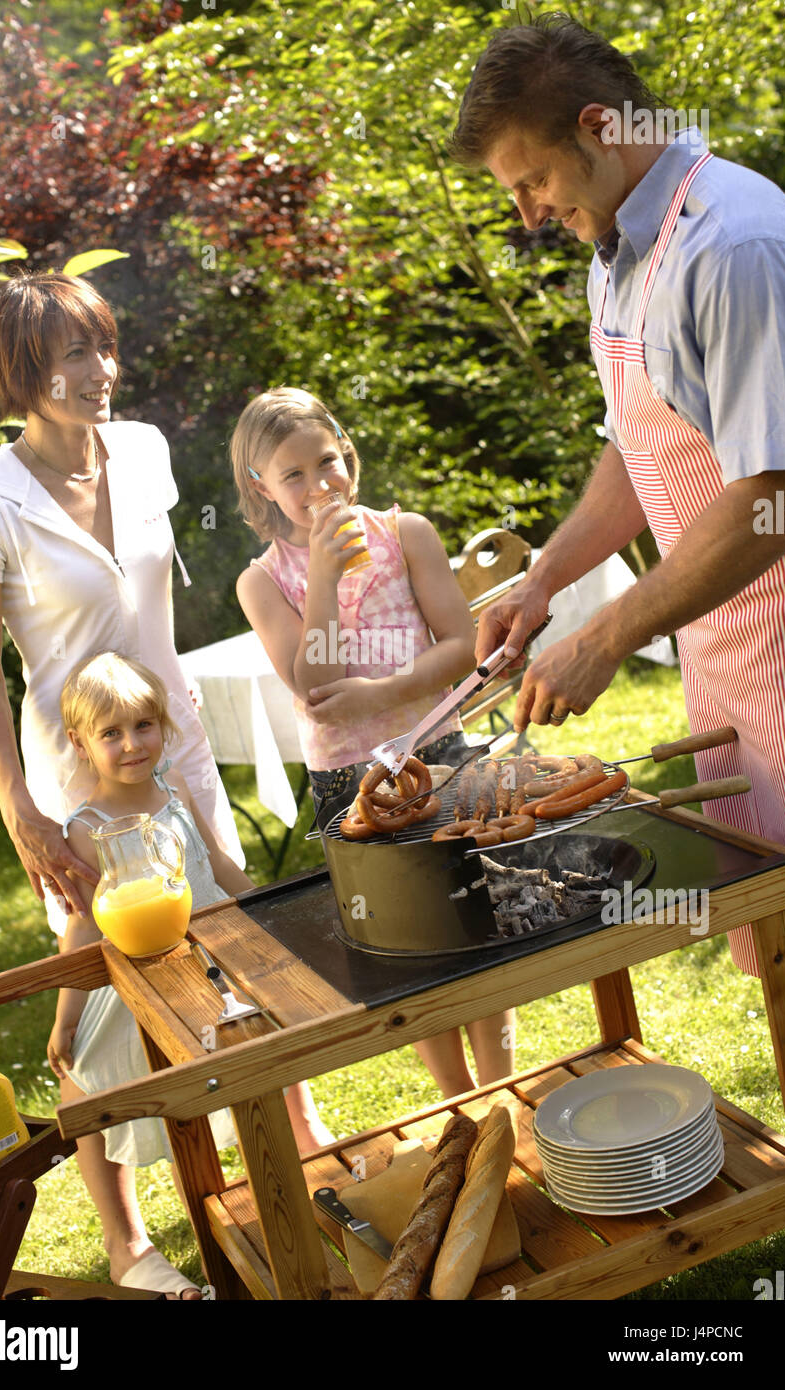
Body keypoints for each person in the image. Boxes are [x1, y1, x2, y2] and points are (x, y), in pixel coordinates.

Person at [450, 13, 785, 977]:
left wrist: (607, 636)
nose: (526, 215)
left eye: (533, 182)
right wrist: (544, 580)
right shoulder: (620, 250)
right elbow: (644, 446)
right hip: (726, 652)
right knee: (774, 949)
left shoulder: (733, 243)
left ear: (600, 128)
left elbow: (776, 489)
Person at [0, 271, 243, 931]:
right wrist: (17, 805)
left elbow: (146, 595)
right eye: (77, 353)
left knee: (224, 928)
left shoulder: (144, 450)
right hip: (81, 768)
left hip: (172, 739)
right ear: (23, 372)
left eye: (104, 347)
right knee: (127, 961)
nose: (103, 369)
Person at [232, 385, 515, 1094]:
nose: (317, 484)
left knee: (476, 920)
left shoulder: (406, 533)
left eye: (327, 462)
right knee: (407, 945)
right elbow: (315, 685)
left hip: (437, 754)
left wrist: (387, 695)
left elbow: (460, 648)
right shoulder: (262, 582)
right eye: (292, 474)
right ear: (259, 487)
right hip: (348, 780)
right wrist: (322, 576)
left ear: (348, 457)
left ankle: (502, 1089)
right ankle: (460, 1101)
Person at [50, 652, 331, 1296]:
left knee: (209, 1101)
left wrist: (275, 911)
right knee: (116, 1099)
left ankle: (247, 1224)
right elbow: (83, 927)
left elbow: (218, 866)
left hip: (203, 973)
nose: (132, 744)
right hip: (137, 993)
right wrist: (66, 1017)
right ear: (81, 743)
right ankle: (153, 1250)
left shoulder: (172, 790)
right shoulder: (86, 830)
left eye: (143, 726)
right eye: (111, 733)